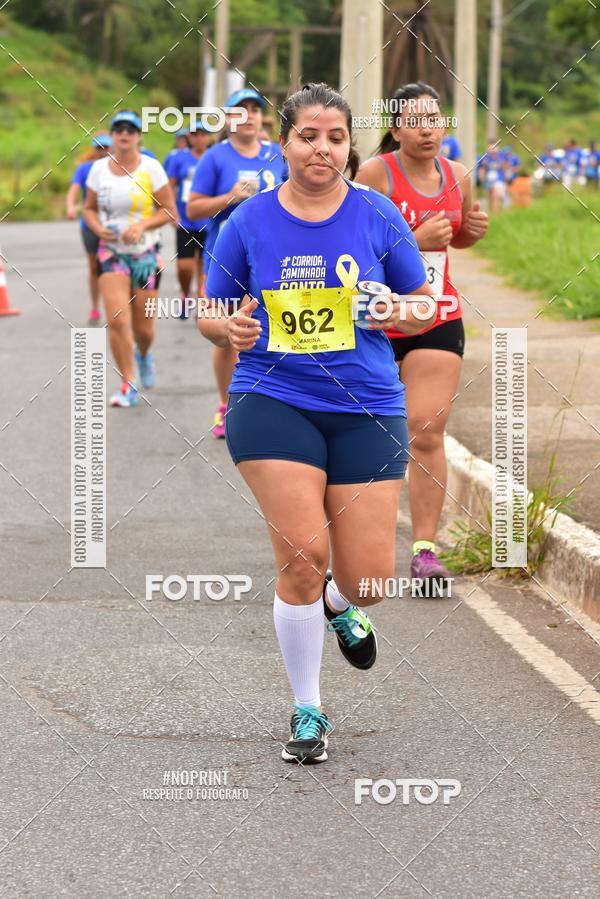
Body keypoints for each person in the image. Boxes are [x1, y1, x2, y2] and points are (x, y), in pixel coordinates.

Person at [198, 82, 436, 764]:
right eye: (308, 136)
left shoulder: (377, 214)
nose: (321, 149)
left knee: (369, 582)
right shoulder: (248, 221)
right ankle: (308, 707)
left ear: (349, 145)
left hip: (367, 405)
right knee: (303, 556)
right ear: (284, 143)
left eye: (335, 138)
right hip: (272, 398)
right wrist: (230, 328)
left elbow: (425, 303)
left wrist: (393, 309)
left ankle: (339, 602)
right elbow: (210, 310)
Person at [355, 81, 488, 590]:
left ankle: (424, 551)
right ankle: (347, 538)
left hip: (436, 313)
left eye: (435, 119)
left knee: (426, 430)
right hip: (376, 316)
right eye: (415, 121)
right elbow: (353, 249)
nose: (428, 129)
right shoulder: (375, 175)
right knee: (364, 429)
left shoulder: (458, 175)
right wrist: (413, 239)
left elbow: (457, 237)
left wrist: (470, 232)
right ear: (396, 130)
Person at [187, 87, 287, 438]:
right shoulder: (215, 157)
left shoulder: (277, 154)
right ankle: (225, 403)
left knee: (268, 330)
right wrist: (229, 197)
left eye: (254, 110)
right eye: (240, 110)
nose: (248, 116)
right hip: (225, 259)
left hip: (273, 258)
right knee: (228, 332)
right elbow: (192, 209)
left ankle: (271, 402)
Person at [83, 110, 176, 407]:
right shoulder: (98, 169)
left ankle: (144, 354)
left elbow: (169, 210)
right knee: (117, 319)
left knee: (144, 330)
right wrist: (98, 228)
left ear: (139, 136)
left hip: (145, 256)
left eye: (131, 129)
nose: (125, 133)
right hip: (111, 253)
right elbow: (89, 209)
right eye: (119, 128)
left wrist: (142, 226)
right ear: (112, 134)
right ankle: (128, 382)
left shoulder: (151, 168)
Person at [165, 122, 211, 318]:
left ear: (208, 137)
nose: (198, 138)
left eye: (202, 134)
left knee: (204, 266)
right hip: (186, 221)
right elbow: (169, 186)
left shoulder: (213, 157)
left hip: (209, 222)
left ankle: (202, 303)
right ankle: (185, 295)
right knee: (185, 266)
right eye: (194, 134)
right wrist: (171, 211)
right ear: (189, 137)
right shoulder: (179, 158)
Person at [66, 133, 112, 325]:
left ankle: (115, 306)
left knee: (113, 268)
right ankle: (95, 307)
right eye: (99, 148)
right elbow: (74, 189)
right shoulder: (85, 168)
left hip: (112, 225)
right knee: (94, 267)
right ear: (94, 149)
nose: (102, 151)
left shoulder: (117, 167)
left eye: (106, 148)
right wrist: (70, 206)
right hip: (90, 224)